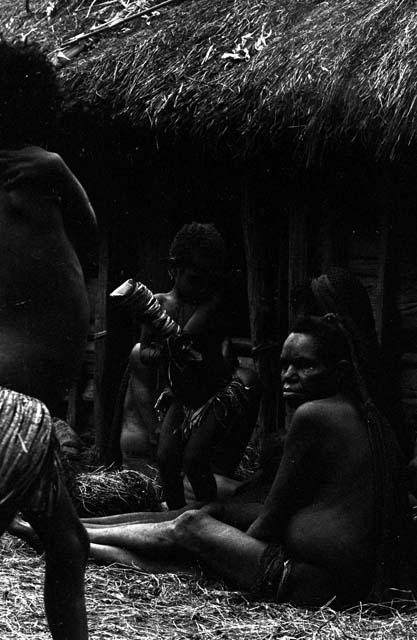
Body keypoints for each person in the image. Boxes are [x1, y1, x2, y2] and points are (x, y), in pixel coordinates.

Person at [13, 314, 407, 606]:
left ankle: (63, 534)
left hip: (310, 582)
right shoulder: (362, 415)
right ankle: (69, 528)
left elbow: (269, 520)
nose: (288, 375)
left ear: (338, 372)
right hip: (318, 575)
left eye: (304, 366)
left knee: (191, 525)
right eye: (285, 364)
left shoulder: (316, 415)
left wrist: (215, 548)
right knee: (207, 517)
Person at [0, 40, 95, 638]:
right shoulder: (26, 171)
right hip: (9, 406)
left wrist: (59, 170)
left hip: (31, 408)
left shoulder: (35, 168)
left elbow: (89, 235)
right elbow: (89, 230)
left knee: (70, 545)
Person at [115, 223, 260, 507]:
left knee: (194, 461)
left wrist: (175, 342)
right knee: (166, 460)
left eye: (209, 281)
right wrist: (165, 352)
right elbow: (146, 351)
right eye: (195, 279)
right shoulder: (157, 305)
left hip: (215, 397)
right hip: (182, 399)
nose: (202, 287)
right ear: (174, 269)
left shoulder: (212, 304)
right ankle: (175, 515)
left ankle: (208, 516)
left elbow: (190, 338)